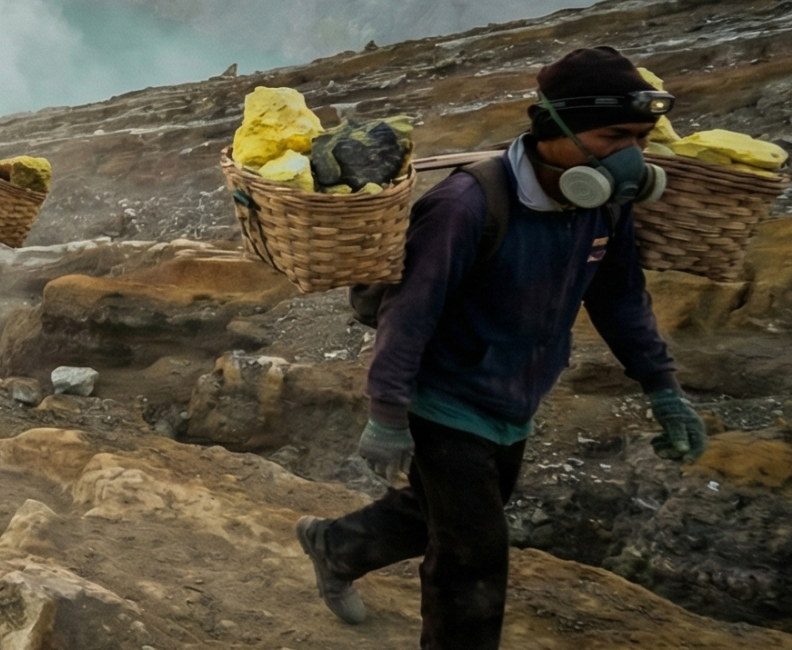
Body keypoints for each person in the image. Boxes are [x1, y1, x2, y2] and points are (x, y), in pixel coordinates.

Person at [296, 47, 705, 649]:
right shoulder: (466, 207)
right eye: (614, 136)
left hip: (514, 394)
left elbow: (620, 299)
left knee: (435, 513)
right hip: (443, 397)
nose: (632, 157)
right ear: (553, 127)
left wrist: (662, 385)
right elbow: (408, 313)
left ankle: (335, 547)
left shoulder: (605, 206)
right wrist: (386, 411)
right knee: (474, 562)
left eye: (641, 139)